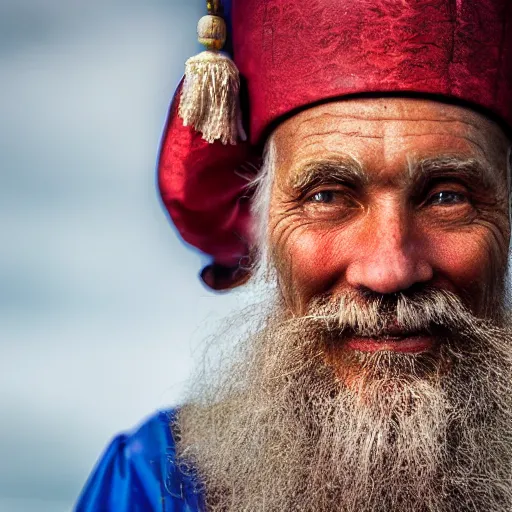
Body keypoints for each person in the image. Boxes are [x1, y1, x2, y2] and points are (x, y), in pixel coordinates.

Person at [76, 0, 512, 510]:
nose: (390, 269)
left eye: (447, 197)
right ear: (259, 223)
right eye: (325, 196)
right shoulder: (157, 480)